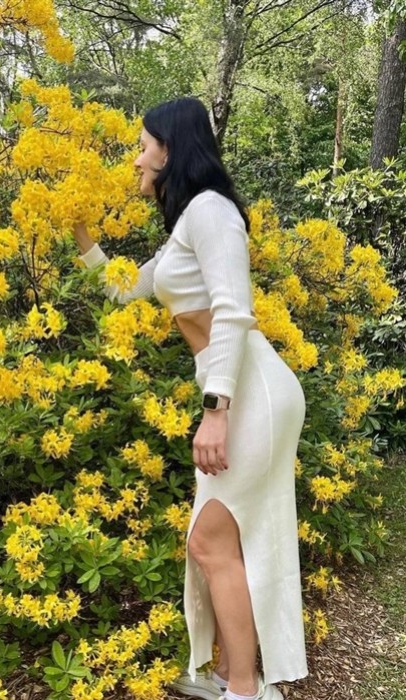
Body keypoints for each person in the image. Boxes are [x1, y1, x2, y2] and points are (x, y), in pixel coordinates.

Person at [73, 97, 308, 700]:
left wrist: (216, 411)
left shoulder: (211, 210)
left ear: (170, 149)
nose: (136, 159)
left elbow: (233, 310)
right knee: (221, 542)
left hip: (249, 392)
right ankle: (237, 678)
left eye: (143, 146)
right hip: (237, 389)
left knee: (209, 541)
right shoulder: (187, 225)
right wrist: (79, 231)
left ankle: (244, 691)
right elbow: (126, 288)